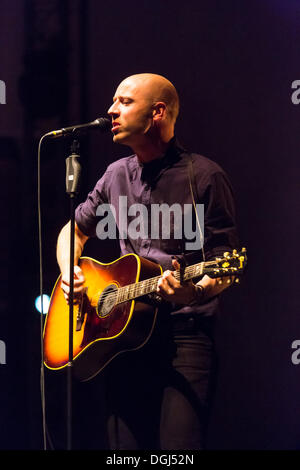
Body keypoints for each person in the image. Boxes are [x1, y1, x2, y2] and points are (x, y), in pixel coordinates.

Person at [56, 73, 239, 449]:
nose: (111, 110)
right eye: (113, 101)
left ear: (157, 113)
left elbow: (225, 265)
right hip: (124, 339)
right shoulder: (115, 174)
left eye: (124, 101)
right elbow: (73, 231)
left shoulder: (204, 176)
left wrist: (191, 292)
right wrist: (68, 271)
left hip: (184, 338)